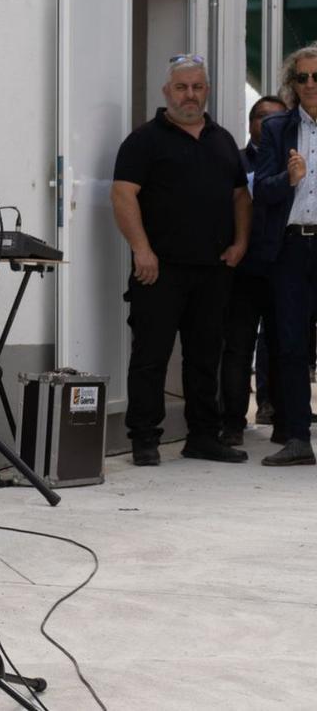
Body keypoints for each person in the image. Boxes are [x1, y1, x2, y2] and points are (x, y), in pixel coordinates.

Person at [111, 54, 251, 467]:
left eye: (197, 87)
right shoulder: (144, 140)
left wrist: (240, 242)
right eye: (181, 87)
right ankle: (144, 439)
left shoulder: (223, 139)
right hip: (159, 269)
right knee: (151, 356)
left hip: (213, 269)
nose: (190, 95)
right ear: (166, 92)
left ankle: (203, 437)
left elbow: (240, 196)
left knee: (205, 356)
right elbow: (123, 194)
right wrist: (142, 249)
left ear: (206, 91)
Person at [254, 42, 317, 466]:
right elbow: (261, 188)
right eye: (303, 77)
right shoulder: (278, 128)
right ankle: (297, 438)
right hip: (292, 247)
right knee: (291, 344)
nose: (311, 84)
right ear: (291, 84)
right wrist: (288, 177)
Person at [218, 95, 287, 446]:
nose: (269, 124)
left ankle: (280, 417)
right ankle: (232, 422)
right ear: (250, 123)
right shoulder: (235, 161)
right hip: (242, 268)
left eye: (278, 118)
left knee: (284, 345)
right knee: (237, 346)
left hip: (284, 267)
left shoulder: (296, 162)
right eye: (262, 117)